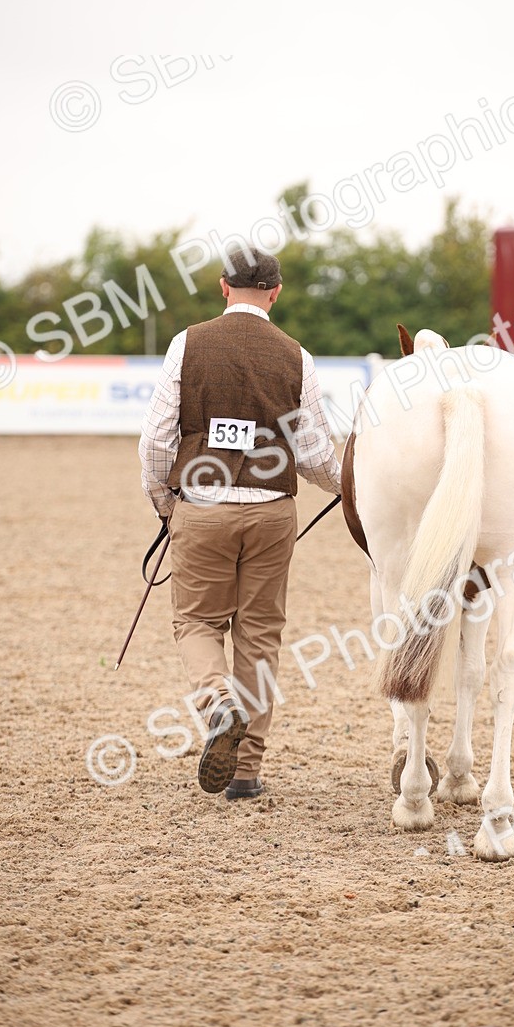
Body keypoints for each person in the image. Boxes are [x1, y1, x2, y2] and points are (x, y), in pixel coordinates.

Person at [138, 248, 342, 800]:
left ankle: (216, 702)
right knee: (260, 636)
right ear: (276, 292)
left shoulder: (188, 343)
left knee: (198, 624)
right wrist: (351, 486)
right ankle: (246, 771)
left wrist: (166, 504)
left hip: (201, 507)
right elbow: (317, 452)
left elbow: (156, 439)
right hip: (273, 510)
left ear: (223, 287)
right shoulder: (297, 356)